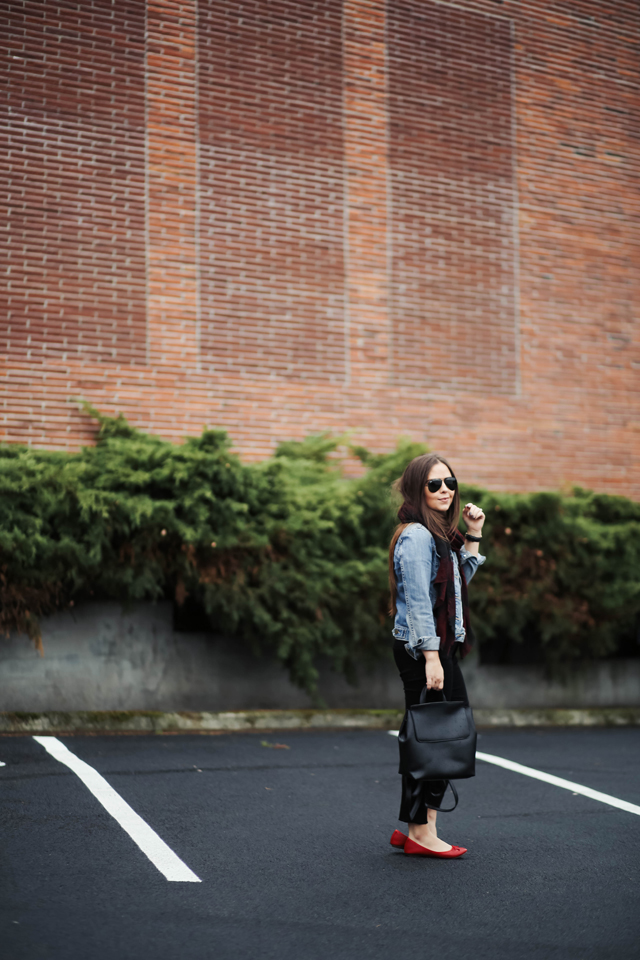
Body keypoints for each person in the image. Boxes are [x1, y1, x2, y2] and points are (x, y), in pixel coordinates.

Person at [388, 453, 486, 858]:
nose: (444, 489)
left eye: (449, 481)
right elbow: (417, 602)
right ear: (417, 488)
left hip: (435, 646)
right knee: (439, 737)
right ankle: (420, 831)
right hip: (424, 648)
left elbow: (455, 587)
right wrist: (431, 657)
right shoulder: (416, 536)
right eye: (434, 484)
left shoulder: (440, 537)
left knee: (431, 736)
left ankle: (418, 826)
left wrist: (474, 533)